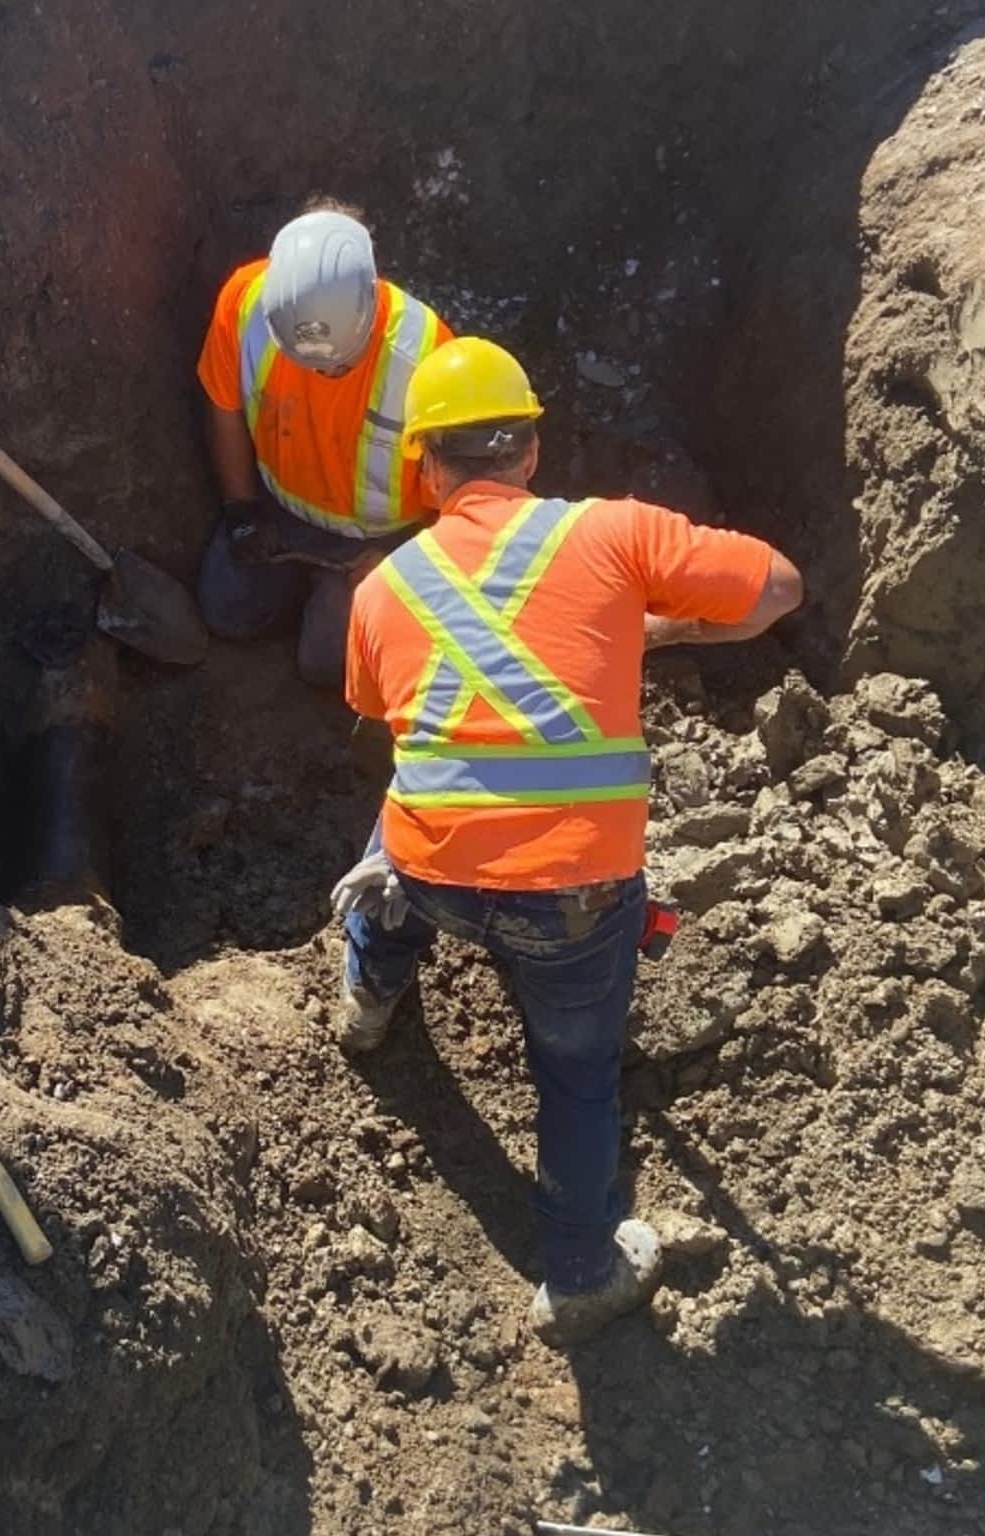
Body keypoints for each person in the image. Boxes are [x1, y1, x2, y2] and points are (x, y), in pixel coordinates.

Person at [330, 337, 804, 1344]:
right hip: (575, 903)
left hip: (432, 878)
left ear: (421, 468)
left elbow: (381, 709)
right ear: (531, 451)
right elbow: (775, 591)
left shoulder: (380, 591)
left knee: (398, 810)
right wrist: (654, 631)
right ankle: (580, 1273)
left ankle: (368, 996)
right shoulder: (617, 537)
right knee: (576, 1077)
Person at [195, 201, 452, 686]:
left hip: (381, 542)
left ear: (371, 306)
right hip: (281, 512)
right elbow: (224, 407)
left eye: (337, 366)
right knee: (226, 610)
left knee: (325, 665)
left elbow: (463, 498)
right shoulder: (247, 304)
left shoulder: (427, 359)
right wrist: (241, 511)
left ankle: (333, 605)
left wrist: (406, 565)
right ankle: (311, 591)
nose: (321, 374)